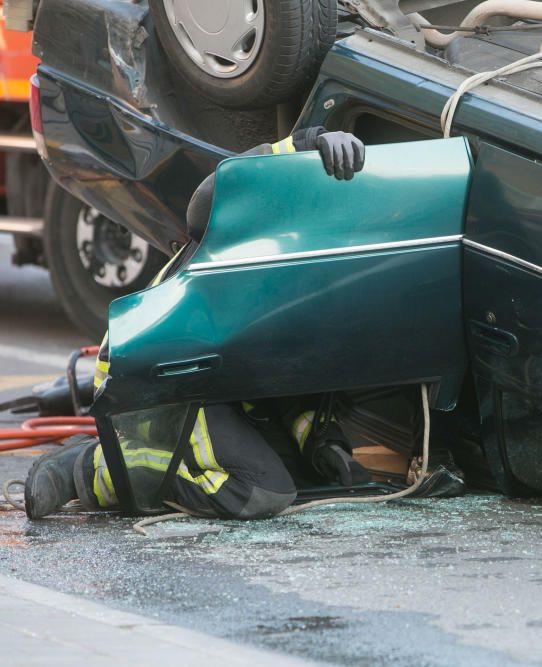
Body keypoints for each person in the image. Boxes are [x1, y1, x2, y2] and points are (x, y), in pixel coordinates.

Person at [24, 128, 371, 521]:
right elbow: (213, 195)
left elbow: (289, 374)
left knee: (300, 478)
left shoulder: (318, 275)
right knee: (260, 490)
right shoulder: (241, 235)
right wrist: (304, 144)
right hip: (161, 378)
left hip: (226, 386)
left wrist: (321, 442)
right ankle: (93, 467)